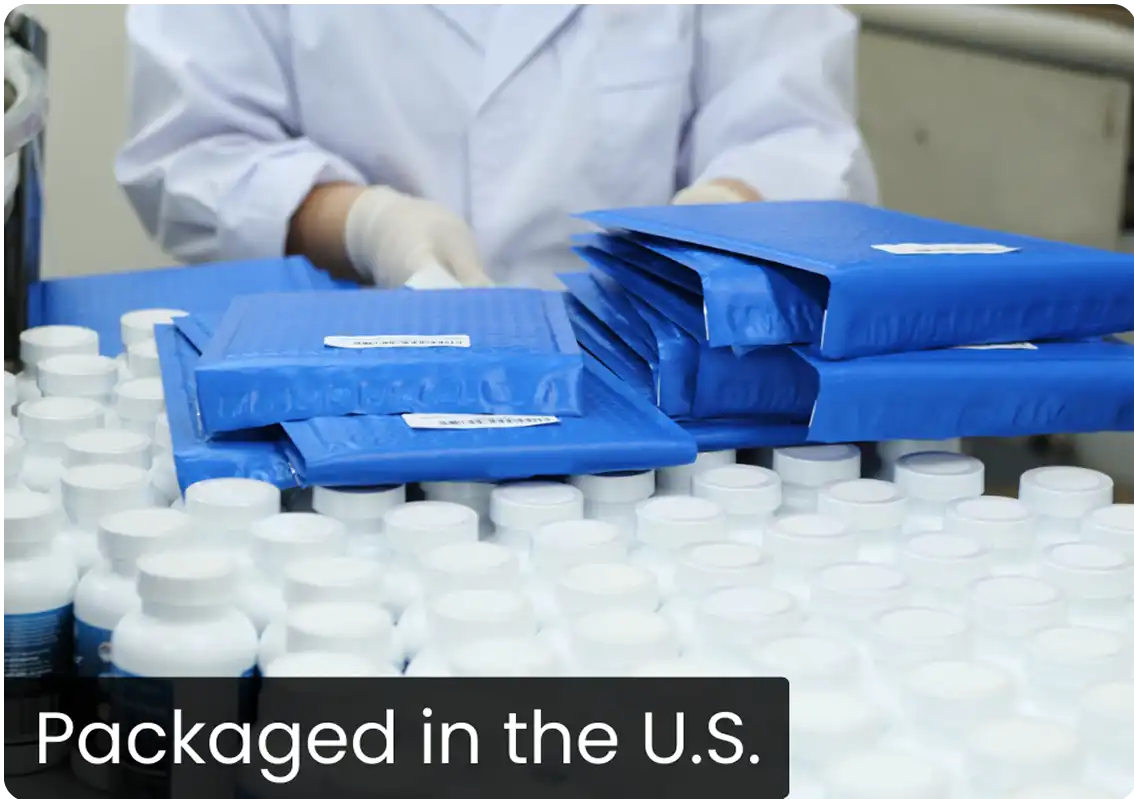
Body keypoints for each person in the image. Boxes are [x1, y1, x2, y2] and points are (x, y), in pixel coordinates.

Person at [116, 2, 877, 290]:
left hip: (654, 389)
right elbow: (194, 149)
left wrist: (717, 219)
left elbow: (794, 134)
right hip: (352, 370)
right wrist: (361, 224)